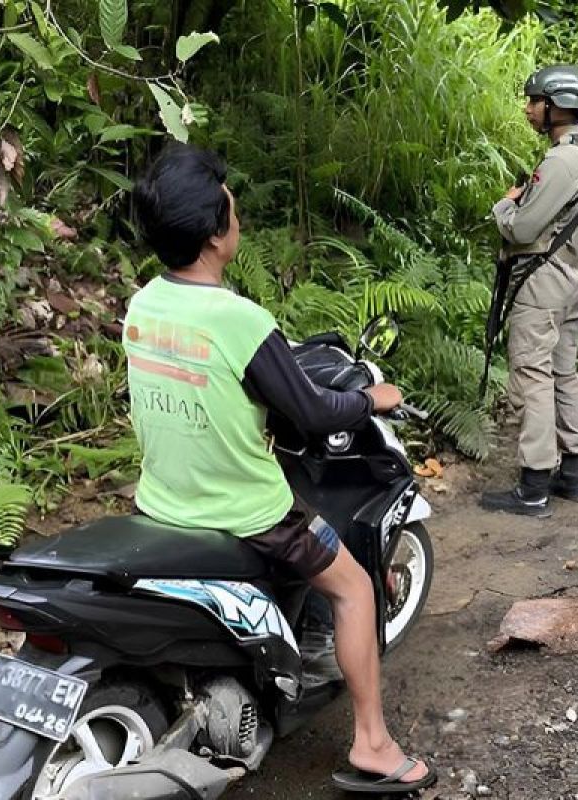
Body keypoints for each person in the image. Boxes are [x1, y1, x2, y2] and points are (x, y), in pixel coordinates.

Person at [124, 145, 434, 791]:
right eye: (229, 201)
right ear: (216, 230)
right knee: (354, 589)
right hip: (247, 514)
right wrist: (373, 398)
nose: (235, 209)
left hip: (160, 503)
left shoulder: (144, 304)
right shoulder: (240, 319)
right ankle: (373, 744)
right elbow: (315, 413)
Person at [480, 64, 578, 518]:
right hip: (571, 276)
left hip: (543, 279)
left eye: (535, 101)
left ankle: (533, 484)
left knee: (533, 374)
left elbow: (525, 226)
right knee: (562, 370)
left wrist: (505, 206)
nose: (529, 108)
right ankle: (572, 471)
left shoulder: (560, 160)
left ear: (555, 106)